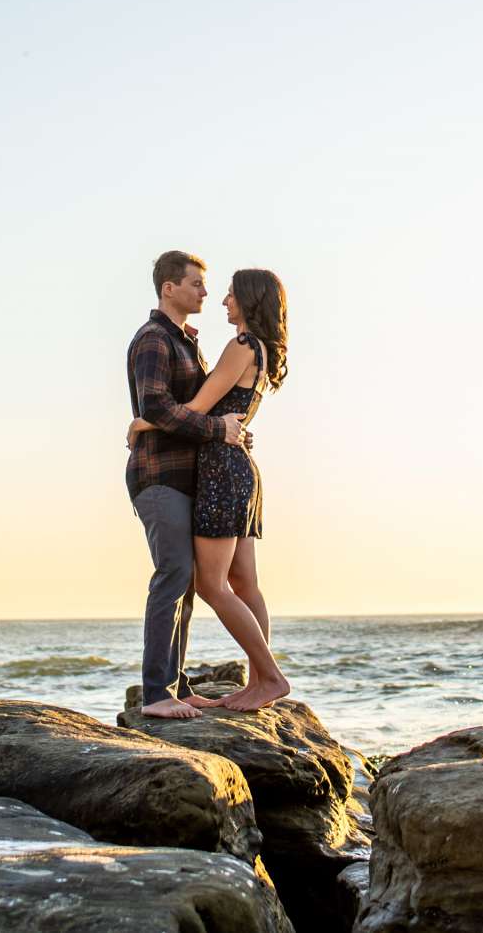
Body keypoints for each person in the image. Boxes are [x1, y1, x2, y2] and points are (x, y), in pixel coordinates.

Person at [127, 266, 291, 712]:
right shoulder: (260, 349)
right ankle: (260, 681)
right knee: (244, 583)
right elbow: (225, 416)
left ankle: (270, 677)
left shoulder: (240, 346)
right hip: (239, 467)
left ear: (250, 300)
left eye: (231, 295)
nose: (221, 300)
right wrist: (222, 427)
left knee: (211, 585)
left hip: (221, 469)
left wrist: (145, 419)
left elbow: (197, 407)